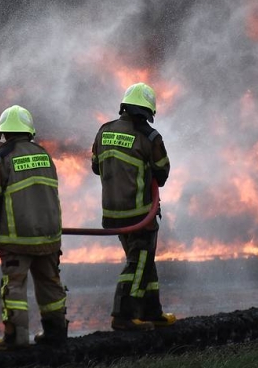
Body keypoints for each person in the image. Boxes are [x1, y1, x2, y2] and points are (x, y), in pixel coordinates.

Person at [0, 105, 68, 350]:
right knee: (50, 284)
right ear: (29, 131)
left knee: (14, 286)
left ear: (4, 133)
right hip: (49, 236)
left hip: (17, 239)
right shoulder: (44, 155)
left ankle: (16, 338)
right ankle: (56, 333)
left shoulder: (0, 159)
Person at [91, 82, 174, 331]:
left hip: (112, 214)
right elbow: (163, 172)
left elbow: (95, 166)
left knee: (143, 260)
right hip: (139, 215)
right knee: (138, 263)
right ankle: (123, 315)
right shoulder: (150, 137)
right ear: (147, 111)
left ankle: (152, 311)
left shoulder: (104, 131)